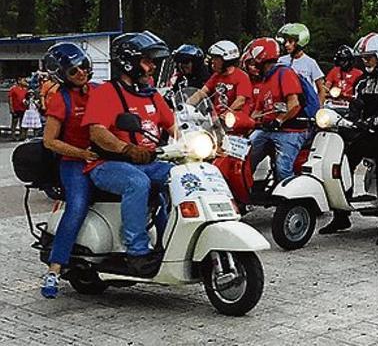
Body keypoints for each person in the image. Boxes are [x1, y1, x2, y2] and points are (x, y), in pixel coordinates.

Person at [82, 31, 176, 276]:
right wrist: (127, 149)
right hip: (107, 164)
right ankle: (137, 252)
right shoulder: (106, 93)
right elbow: (97, 132)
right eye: (147, 60)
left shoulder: (153, 95)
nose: (152, 66)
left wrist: (200, 140)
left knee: (181, 176)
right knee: (138, 182)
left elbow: (175, 126)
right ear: (129, 62)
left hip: (147, 161)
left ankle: (172, 239)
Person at [319, 33, 378, 245]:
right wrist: (351, 120)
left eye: (369, 57)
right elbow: (356, 105)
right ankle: (341, 217)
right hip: (367, 133)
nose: (365, 61)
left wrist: (376, 121)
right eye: (364, 57)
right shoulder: (362, 80)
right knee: (341, 164)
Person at [38, 44, 99, 298]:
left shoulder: (99, 91)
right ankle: (54, 269)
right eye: (74, 71)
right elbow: (49, 141)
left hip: (103, 158)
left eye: (84, 66)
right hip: (74, 163)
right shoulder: (60, 99)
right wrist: (81, 153)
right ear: (63, 75)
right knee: (76, 206)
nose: (81, 73)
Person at [243, 37, 309, 183]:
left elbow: (294, 104)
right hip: (268, 129)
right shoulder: (265, 79)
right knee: (245, 157)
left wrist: (279, 120)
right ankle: (245, 192)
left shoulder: (284, 73)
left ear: (262, 57)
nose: (253, 65)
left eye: (254, 60)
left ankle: (290, 202)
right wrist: (246, 124)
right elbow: (258, 111)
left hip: (291, 130)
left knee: (283, 169)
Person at [188, 40, 251, 114]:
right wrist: (187, 105)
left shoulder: (241, 77)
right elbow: (202, 92)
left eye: (216, 58)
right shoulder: (216, 76)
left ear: (227, 60)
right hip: (217, 119)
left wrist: (226, 114)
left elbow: (240, 101)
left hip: (234, 119)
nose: (212, 61)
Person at [277, 23, 326, 105]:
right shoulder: (281, 61)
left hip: (305, 105)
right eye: (285, 41)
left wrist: (318, 109)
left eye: (290, 41)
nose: (286, 45)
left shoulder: (310, 62)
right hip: (285, 104)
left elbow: (321, 89)